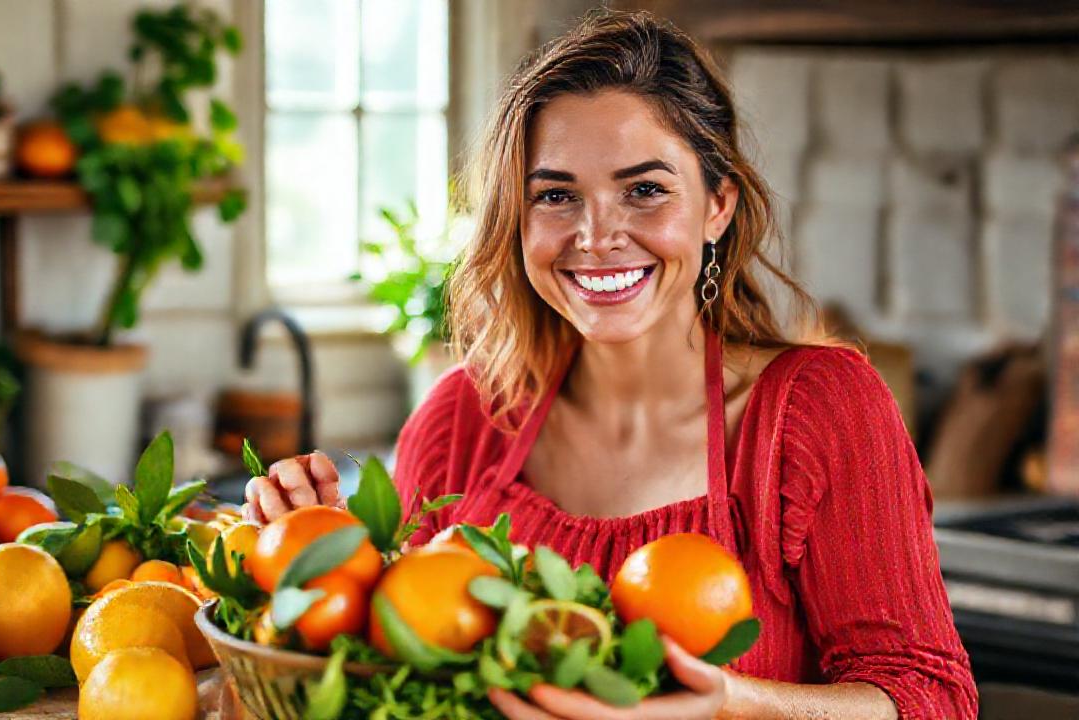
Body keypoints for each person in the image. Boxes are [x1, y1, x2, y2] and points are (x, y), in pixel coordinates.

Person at [242, 11, 977, 719]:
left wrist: (730, 706)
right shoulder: (461, 419)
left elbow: (931, 699)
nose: (597, 237)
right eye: (556, 195)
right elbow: (403, 674)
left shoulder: (818, 412)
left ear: (717, 205)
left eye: (645, 190)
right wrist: (329, 564)